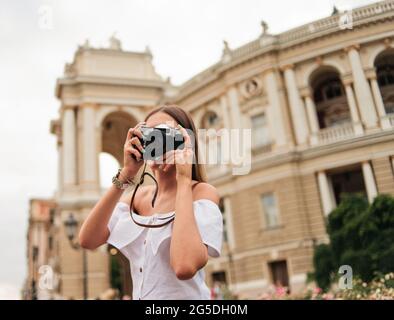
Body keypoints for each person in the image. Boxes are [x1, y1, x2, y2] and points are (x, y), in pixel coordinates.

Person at [78, 105, 223, 300]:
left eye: (164, 132)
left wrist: (183, 178)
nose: (155, 139)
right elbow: (88, 240)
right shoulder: (136, 198)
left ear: (185, 140)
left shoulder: (200, 192)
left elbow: (184, 266)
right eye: (148, 132)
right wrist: (126, 173)